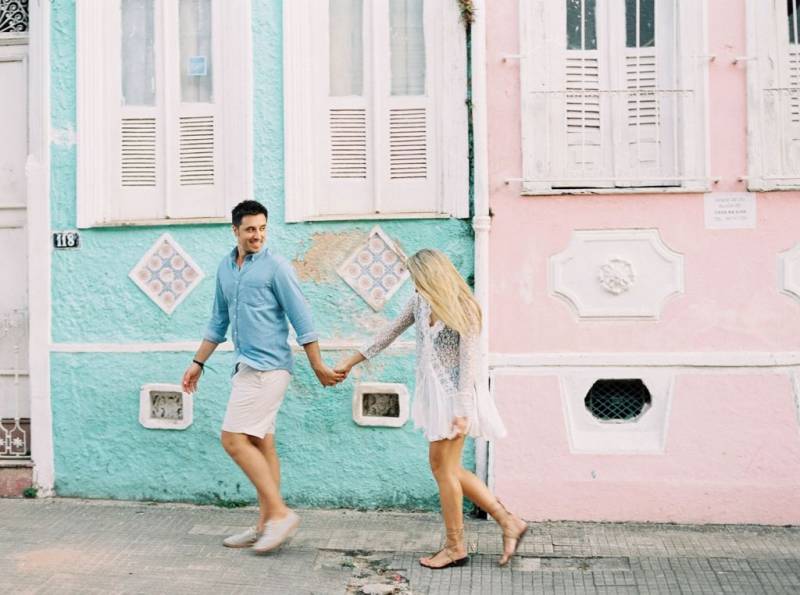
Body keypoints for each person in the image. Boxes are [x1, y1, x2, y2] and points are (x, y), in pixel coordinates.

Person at [336, 249, 527, 569]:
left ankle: (456, 546)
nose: (413, 285)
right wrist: (351, 362)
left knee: (443, 470)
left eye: (416, 279)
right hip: (435, 396)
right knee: (448, 469)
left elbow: (469, 365)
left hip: (456, 397)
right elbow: (387, 334)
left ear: (431, 277)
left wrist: (463, 411)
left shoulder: (464, 309)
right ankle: (508, 522)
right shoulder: (420, 303)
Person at [182, 199, 344, 553]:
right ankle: (266, 523)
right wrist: (198, 362)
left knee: (233, 439)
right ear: (235, 230)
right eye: (250, 229)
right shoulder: (226, 269)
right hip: (245, 367)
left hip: (271, 368)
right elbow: (217, 322)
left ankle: (281, 514)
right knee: (261, 443)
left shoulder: (277, 268)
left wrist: (317, 365)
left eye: (262, 229)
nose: (257, 236)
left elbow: (303, 320)